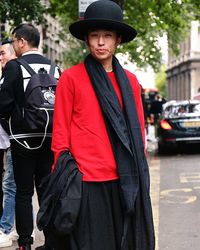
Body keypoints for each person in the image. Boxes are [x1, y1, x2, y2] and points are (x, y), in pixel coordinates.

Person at [51, 1, 155, 250]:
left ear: (118, 40)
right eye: (94, 36)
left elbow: (138, 133)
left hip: (124, 180)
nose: (100, 42)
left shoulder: (130, 81)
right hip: (86, 182)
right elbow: (60, 133)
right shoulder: (70, 78)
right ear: (86, 39)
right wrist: (65, 179)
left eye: (107, 36)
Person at [0, 23, 60, 250]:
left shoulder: (15, 67)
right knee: (46, 190)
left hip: (23, 138)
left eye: (14, 41)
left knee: (24, 192)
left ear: (22, 41)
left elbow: (3, 104)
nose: (14, 46)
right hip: (50, 137)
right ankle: (52, 239)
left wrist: (12, 123)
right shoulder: (55, 68)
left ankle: (25, 242)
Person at [0, 39, 18, 248]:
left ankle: (5, 229)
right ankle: (23, 226)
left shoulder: (13, 72)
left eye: (3, 53)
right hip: (11, 138)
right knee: (18, 186)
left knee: (10, 185)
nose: (1, 57)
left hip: (15, 138)